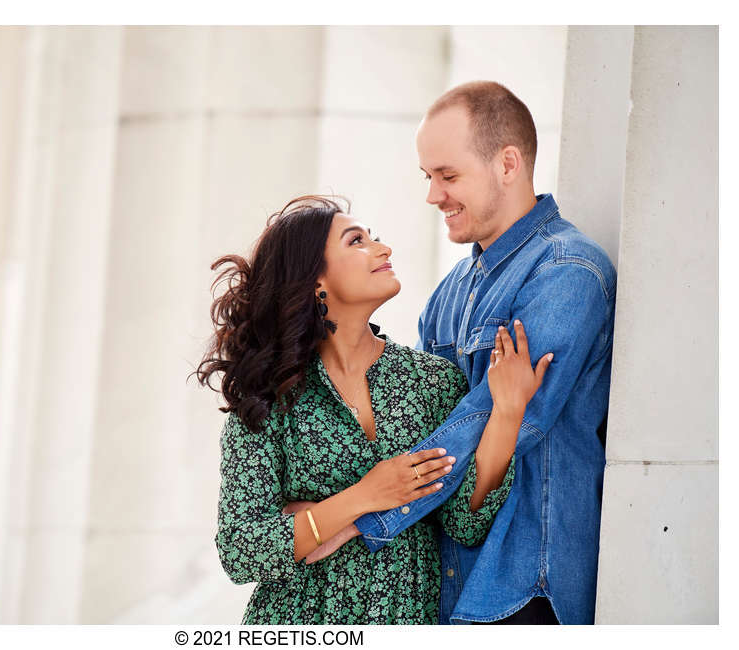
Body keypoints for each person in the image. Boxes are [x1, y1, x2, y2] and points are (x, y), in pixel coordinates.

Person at [333, 81, 617, 624]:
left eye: (448, 175)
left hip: (524, 583)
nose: (433, 195)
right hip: (446, 587)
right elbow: (414, 423)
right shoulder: (449, 292)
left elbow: (489, 421)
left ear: (508, 164)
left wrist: (362, 515)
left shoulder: (567, 273)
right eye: (428, 176)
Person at [196, 195, 552, 624]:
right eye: (356, 241)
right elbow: (242, 549)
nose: (383, 249)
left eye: (375, 239)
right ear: (315, 281)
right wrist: (363, 497)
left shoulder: (432, 382)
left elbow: (465, 524)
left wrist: (509, 413)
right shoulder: (270, 398)